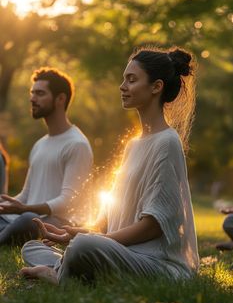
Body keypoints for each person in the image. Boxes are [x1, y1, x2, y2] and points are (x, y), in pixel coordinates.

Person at [20, 46, 199, 285]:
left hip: (157, 263)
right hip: (122, 252)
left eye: (131, 80)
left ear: (156, 87)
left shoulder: (167, 142)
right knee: (32, 247)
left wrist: (93, 240)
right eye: (124, 79)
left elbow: (153, 227)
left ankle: (58, 274)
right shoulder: (133, 145)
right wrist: (78, 232)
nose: (122, 86)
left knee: (84, 246)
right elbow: (109, 222)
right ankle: (69, 263)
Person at [0, 68, 93, 246]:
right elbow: (26, 195)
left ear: (60, 99)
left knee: (28, 220)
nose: (32, 99)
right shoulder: (40, 144)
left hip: (55, 222)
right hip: (25, 217)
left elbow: (67, 202)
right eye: (32, 93)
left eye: (40, 93)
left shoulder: (77, 144)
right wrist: (6, 205)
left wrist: (24, 209)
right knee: (22, 218)